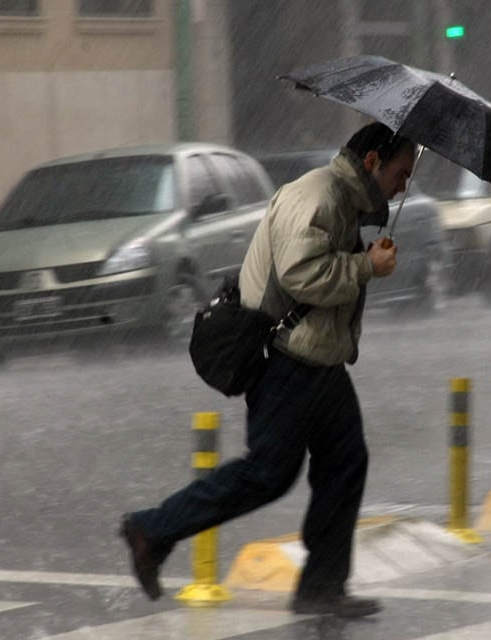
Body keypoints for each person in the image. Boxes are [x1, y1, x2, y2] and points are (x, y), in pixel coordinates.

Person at [119, 121, 416, 619]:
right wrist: (367, 267)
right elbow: (303, 276)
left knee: (345, 463)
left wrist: (365, 257)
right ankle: (153, 529)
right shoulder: (317, 196)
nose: (405, 184)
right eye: (401, 173)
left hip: (320, 362)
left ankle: (321, 587)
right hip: (288, 362)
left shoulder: (343, 200)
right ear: (371, 162)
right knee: (268, 474)